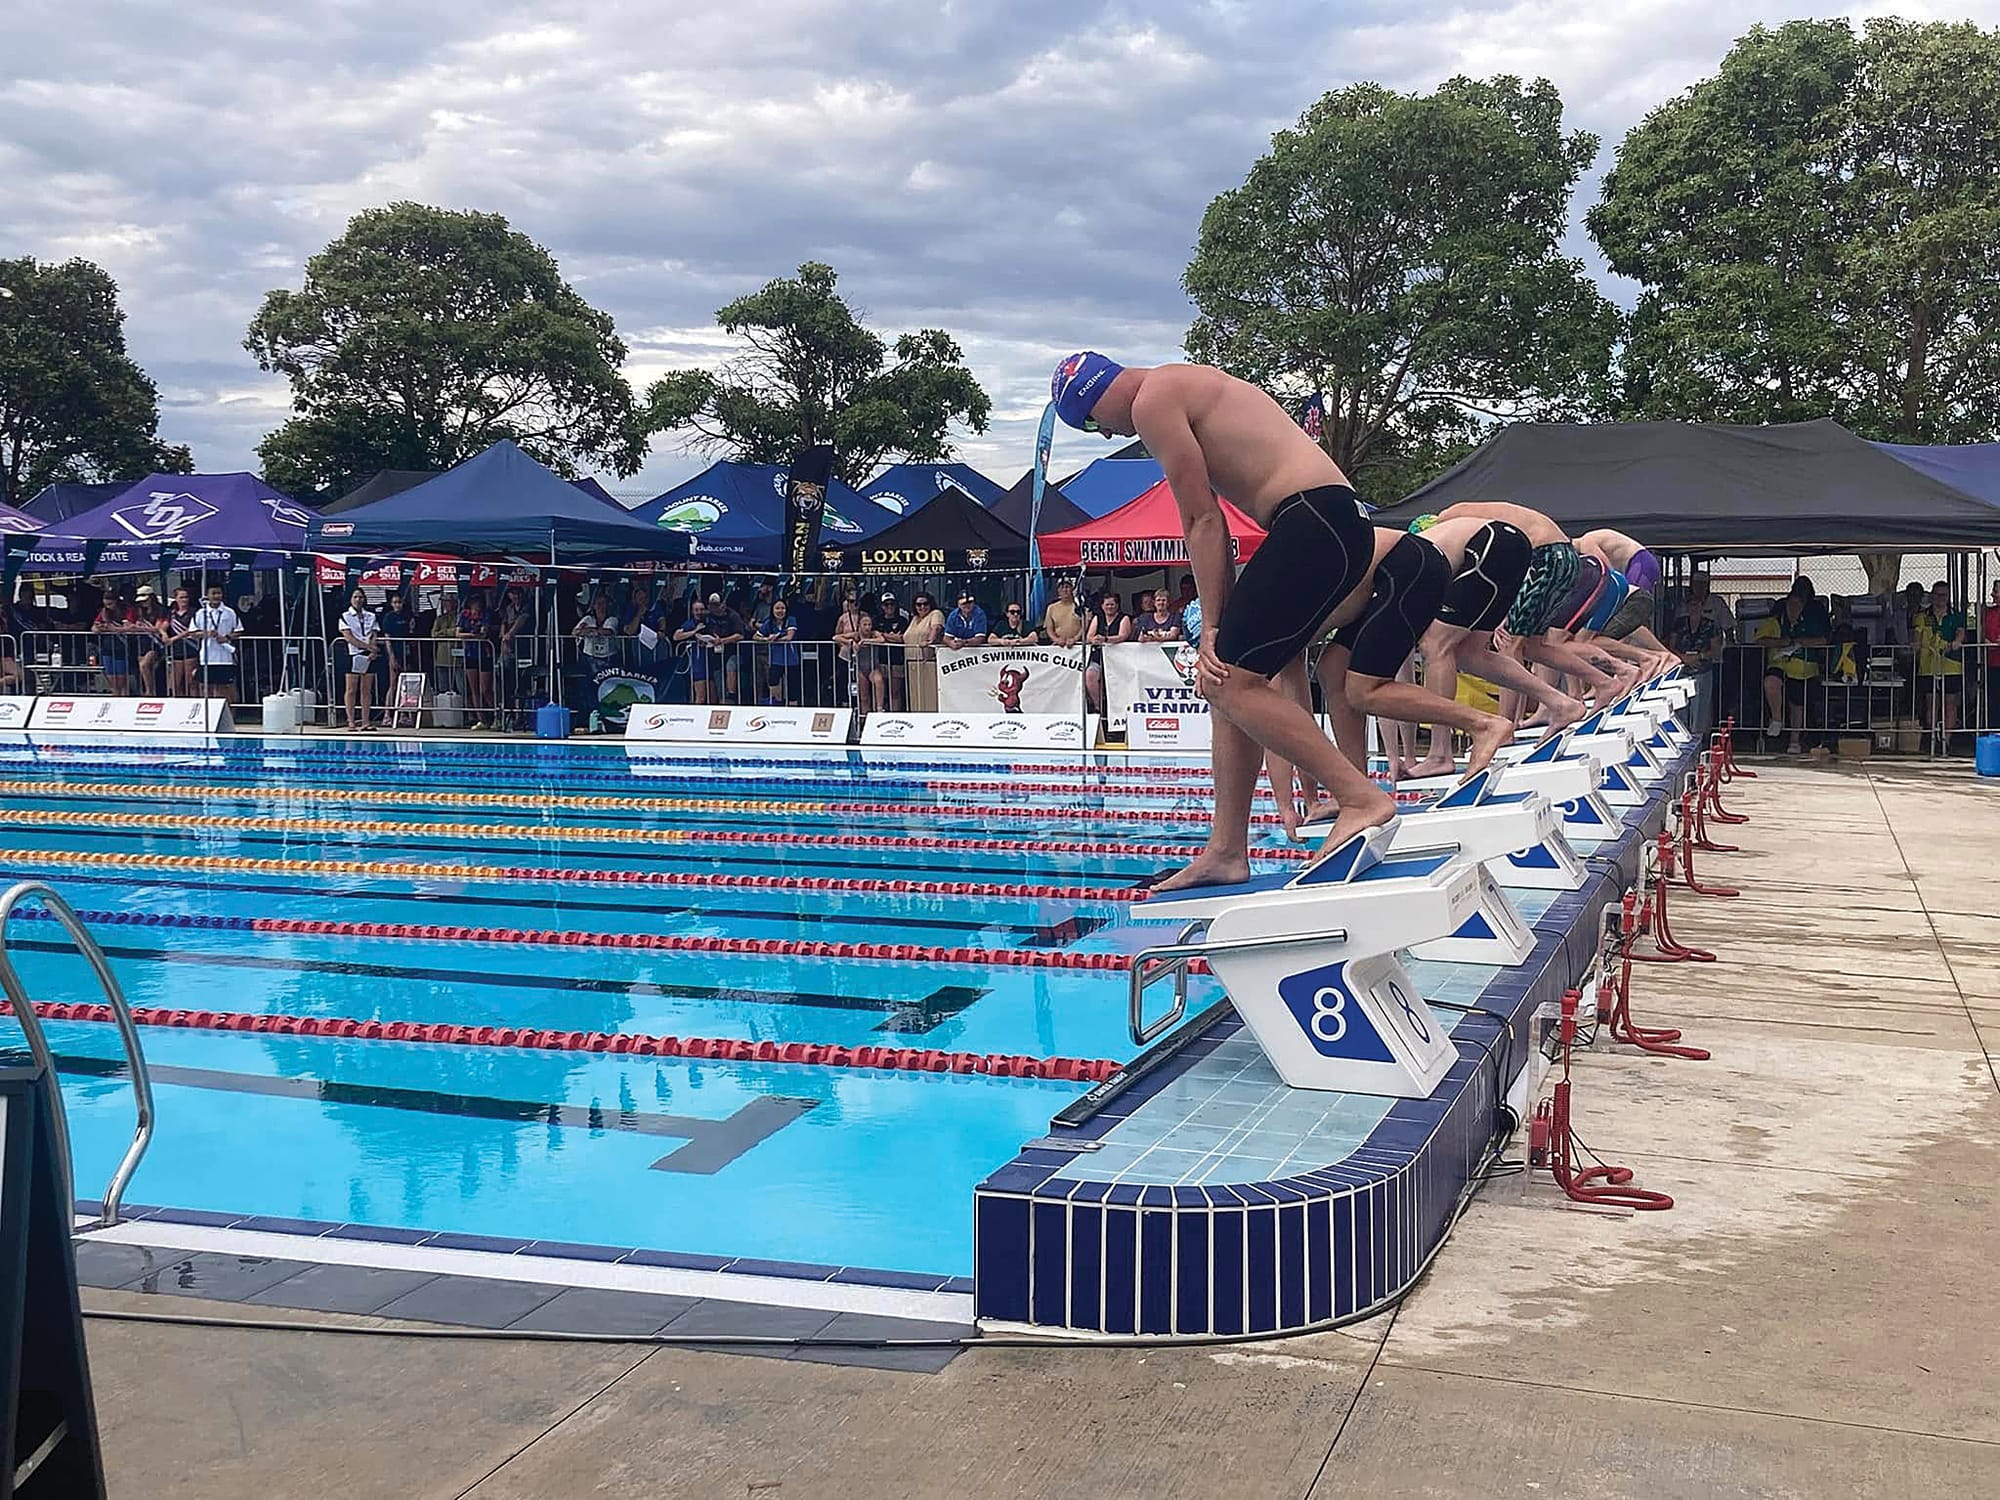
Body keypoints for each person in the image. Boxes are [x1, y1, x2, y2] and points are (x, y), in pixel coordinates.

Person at [1051, 352, 1396, 885]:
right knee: (1228, 684)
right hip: (1334, 521)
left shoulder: (1153, 400)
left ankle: (1359, 797)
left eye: (1095, 428)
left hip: (1314, 521)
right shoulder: (1185, 383)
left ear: (1095, 405)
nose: (1106, 436)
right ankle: (1228, 850)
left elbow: (1202, 518)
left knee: (1228, 676)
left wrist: (1210, 626)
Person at [1269, 515, 1514, 826]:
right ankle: (1357, 791)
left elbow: (1281, 723)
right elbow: (1292, 711)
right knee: (1332, 670)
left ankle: (1483, 725)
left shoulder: (1270, 629)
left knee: (1363, 691)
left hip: (1409, 566)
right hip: (1394, 566)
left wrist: (1287, 806)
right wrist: (1308, 801)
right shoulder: (1276, 624)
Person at [1754, 577, 1830, 753]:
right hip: (1779, 662)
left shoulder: (1815, 611)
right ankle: (1777, 719)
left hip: (1804, 665)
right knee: (1771, 682)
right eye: (1791, 604)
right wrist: (1782, 642)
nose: (1794, 608)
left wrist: (1801, 642)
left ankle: (1794, 740)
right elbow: (1760, 638)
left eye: (1799, 604)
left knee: (1797, 701)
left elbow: (1825, 638)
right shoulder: (1777, 615)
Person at [1913, 580, 1967, 744]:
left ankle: (1946, 740)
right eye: (1938, 595)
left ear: (1948, 596)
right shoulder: (1922, 615)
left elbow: (1961, 632)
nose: (1941, 598)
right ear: (1932, 596)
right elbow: (1917, 635)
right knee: (1931, 702)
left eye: (1944, 595)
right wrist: (1915, 644)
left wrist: (1957, 642)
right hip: (1928, 666)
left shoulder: (1956, 615)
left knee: (1950, 703)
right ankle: (1932, 739)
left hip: (1951, 666)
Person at [1083, 589, 1133, 717]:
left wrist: (1106, 639)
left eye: (1112, 604)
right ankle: (1099, 706)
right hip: (1098, 657)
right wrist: (1094, 639)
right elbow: (1089, 635)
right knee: (1090, 675)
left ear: (1117, 605)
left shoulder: (1124, 618)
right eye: (1107, 604)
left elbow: (1123, 635)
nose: (1109, 607)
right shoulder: (1097, 617)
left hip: (1118, 659)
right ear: (1102, 606)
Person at [338, 588, 381, 731]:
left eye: (361, 597)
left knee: (366, 689)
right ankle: (351, 721)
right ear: (351, 599)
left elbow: (374, 633)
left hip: (369, 655)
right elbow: (349, 637)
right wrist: (368, 647)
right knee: (351, 689)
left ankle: (365, 721)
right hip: (353, 654)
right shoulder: (345, 616)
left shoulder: (371, 616)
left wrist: (373, 649)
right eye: (355, 597)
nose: (358, 600)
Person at [193, 582, 240, 702]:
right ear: (207, 595)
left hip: (225, 657)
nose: (216, 596)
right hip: (207, 657)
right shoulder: (200, 613)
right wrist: (207, 634)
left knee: (225, 687)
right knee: (205, 686)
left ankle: (230, 713)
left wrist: (227, 637)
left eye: (218, 593)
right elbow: (193, 633)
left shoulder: (229, 612)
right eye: (213, 593)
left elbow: (239, 630)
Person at [833, 590, 880, 713]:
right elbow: (836, 635)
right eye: (851, 601)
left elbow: (876, 635)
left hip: (863, 656)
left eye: (856, 601)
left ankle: (869, 711)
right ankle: (845, 706)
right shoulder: (843, 618)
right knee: (845, 681)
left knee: (864, 687)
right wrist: (849, 642)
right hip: (846, 654)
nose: (854, 604)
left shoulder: (864, 615)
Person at [901, 591, 946, 711]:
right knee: (915, 696)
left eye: (925, 603)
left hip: (928, 661)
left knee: (928, 694)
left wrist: (929, 641)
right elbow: (906, 636)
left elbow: (935, 628)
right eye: (918, 605)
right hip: (911, 663)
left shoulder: (935, 614)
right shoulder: (915, 618)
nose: (922, 607)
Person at [457, 593, 496, 729]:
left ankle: (496, 715)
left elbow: (484, 633)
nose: (477, 605)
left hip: (484, 653)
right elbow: (458, 634)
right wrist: (472, 635)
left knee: (486, 689)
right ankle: (481, 719)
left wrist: (472, 635)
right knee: (474, 689)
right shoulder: (464, 615)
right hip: (470, 653)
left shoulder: (485, 614)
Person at [703, 591, 748, 703]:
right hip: (715, 652)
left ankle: (731, 696)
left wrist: (723, 641)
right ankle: (722, 701)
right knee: (718, 677)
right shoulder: (707, 616)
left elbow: (740, 635)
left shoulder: (733, 616)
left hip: (733, 651)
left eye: (717, 605)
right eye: (712, 605)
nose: (714, 608)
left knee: (730, 666)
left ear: (723, 604)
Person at [757, 596, 801, 705]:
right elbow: (756, 636)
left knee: (793, 687)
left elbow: (789, 637)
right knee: (773, 682)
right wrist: (766, 639)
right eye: (777, 608)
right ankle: (777, 706)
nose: (780, 611)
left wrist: (776, 639)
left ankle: (793, 709)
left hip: (791, 659)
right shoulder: (769, 622)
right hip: (776, 659)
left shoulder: (791, 620)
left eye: (782, 608)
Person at [93, 588, 136, 696]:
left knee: (121, 672)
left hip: (121, 644)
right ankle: (115, 691)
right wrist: (99, 628)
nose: (108, 606)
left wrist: (112, 628)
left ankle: (123, 693)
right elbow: (94, 627)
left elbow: (129, 627)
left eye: (110, 603)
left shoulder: (127, 610)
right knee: (109, 671)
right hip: (107, 645)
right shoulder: (103, 612)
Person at [672, 597, 714, 705]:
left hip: (711, 663)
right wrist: (694, 632)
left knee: (713, 696)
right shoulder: (689, 623)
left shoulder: (710, 621)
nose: (699, 612)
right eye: (696, 610)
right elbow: (676, 636)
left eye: (701, 609)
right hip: (698, 663)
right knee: (700, 696)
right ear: (692, 611)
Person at [873, 590, 910, 710]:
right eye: (886, 604)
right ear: (882, 606)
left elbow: (902, 639)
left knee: (895, 692)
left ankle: (896, 714)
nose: (889, 607)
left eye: (891, 604)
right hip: (881, 660)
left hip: (897, 661)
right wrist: (891, 637)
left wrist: (884, 636)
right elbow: (874, 636)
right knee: (880, 692)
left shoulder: (902, 620)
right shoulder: (876, 620)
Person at [162, 585, 199, 696]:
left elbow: (191, 630)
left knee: (191, 681)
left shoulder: (194, 612)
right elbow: (163, 626)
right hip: (176, 650)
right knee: (176, 682)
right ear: (176, 599)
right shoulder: (171, 613)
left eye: (186, 597)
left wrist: (174, 638)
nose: (184, 600)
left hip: (190, 648)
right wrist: (164, 634)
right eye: (181, 597)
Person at [132, 585, 166, 694]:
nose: (143, 603)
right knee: (144, 668)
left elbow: (157, 628)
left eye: (145, 600)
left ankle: (149, 691)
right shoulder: (140, 611)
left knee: (144, 664)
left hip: (156, 644)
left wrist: (139, 628)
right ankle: (148, 689)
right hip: (143, 642)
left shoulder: (161, 610)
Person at [1041, 577, 1085, 646]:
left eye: (1067, 587)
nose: (1064, 590)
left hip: (1077, 645)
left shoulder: (1079, 606)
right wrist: (1056, 639)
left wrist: (1075, 639)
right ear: (1058, 590)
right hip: (1058, 646)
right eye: (1062, 587)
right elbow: (1049, 629)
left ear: (1072, 589)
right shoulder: (1051, 608)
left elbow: (1085, 626)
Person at [1984, 581, 2000, 734]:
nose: (1993, 595)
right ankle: (1994, 731)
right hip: (1993, 662)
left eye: (1996, 591)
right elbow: (1982, 632)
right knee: (1994, 699)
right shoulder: (1989, 613)